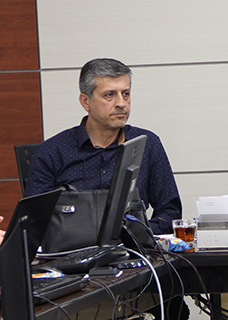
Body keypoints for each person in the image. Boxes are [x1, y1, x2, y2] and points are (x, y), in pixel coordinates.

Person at [24, 58, 182, 234]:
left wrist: (136, 234)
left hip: (131, 247)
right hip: (74, 247)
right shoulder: (52, 152)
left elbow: (170, 212)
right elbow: (33, 223)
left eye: (126, 94)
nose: (121, 103)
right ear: (86, 102)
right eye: (110, 95)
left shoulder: (146, 143)